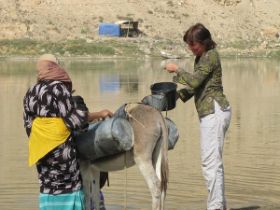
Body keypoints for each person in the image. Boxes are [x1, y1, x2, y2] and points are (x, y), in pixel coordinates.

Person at [23, 54, 113, 210]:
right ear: (55, 68)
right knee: (69, 184)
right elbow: (74, 120)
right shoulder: (59, 88)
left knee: (48, 183)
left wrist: (44, 138)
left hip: (40, 148)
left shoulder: (31, 91)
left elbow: (28, 125)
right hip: (61, 148)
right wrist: (100, 114)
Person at [164, 23, 231, 210]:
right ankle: (219, 205)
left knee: (210, 163)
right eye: (189, 45)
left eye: (193, 45)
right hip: (212, 112)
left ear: (204, 42)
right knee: (213, 163)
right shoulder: (202, 57)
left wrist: (176, 69)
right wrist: (177, 96)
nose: (191, 48)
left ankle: (215, 207)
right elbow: (198, 86)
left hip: (214, 112)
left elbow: (194, 80)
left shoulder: (210, 56)